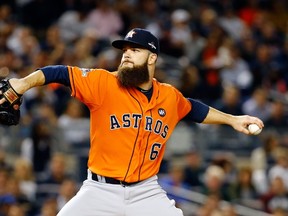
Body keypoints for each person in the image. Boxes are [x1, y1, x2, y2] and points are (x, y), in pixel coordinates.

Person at [0, 28, 264, 216]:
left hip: (146, 192)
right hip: (99, 190)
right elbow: (58, 73)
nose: (126, 54)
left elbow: (194, 109)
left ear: (152, 58)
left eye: (134, 50)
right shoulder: (104, 83)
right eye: (124, 50)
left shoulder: (169, 96)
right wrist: (22, 84)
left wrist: (233, 120)